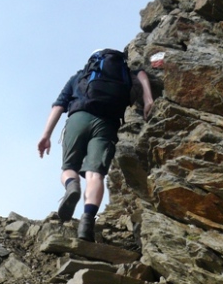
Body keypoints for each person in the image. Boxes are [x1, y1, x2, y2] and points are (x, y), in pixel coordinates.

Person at [37, 49, 154, 242]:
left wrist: (46, 135)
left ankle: (72, 185)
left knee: (69, 168)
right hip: (107, 123)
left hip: (78, 118)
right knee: (95, 174)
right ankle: (87, 223)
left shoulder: (80, 77)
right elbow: (141, 74)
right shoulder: (125, 74)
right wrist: (149, 99)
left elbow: (59, 105)